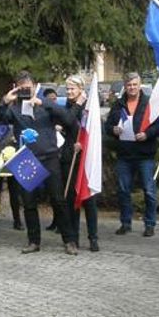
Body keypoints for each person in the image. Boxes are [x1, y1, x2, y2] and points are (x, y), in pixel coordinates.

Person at [0, 71, 79, 254]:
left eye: (28, 87)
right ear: (16, 88)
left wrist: (44, 102)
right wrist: (4, 101)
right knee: (29, 203)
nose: (25, 90)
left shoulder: (45, 105)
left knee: (58, 200)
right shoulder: (14, 108)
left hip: (49, 158)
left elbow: (68, 119)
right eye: (21, 87)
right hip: (26, 160)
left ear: (35, 85)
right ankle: (34, 241)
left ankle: (69, 240)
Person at [105, 72, 159, 237]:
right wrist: (113, 130)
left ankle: (150, 224)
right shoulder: (118, 104)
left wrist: (147, 134)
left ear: (140, 85)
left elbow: (158, 126)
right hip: (124, 154)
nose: (132, 88)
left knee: (149, 191)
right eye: (129, 85)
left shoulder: (149, 103)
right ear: (125, 86)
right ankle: (125, 223)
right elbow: (108, 126)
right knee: (123, 190)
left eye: (134, 85)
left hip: (145, 153)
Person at [61, 75, 100, 252]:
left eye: (73, 88)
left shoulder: (89, 108)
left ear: (81, 89)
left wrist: (83, 144)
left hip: (85, 160)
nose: (69, 92)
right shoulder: (69, 107)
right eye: (68, 89)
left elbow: (97, 133)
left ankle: (93, 237)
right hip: (70, 158)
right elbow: (67, 121)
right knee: (71, 201)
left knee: (88, 200)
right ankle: (73, 238)